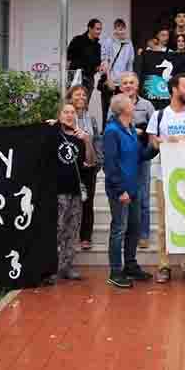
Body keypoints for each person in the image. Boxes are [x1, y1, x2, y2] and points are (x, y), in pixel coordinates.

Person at [147, 75, 185, 283]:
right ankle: (164, 265)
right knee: (164, 223)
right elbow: (153, 143)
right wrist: (165, 141)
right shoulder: (159, 115)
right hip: (164, 176)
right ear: (174, 89)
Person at [102, 93, 156, 288]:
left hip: (133, 188)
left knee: (133, 228)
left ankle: (130, 265)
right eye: (130, 103)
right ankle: (115, 271)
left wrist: (153, 148)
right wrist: (120, 190)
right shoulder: (112, 132)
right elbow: (109, 164)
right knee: (119, 229)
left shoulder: (131, 130)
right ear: (123, 109)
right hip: (120, 191)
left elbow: (139, 156)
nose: (134, 104)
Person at [44, 102, 94, 285]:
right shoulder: (54, 133)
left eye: (72, 112)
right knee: (56, 229)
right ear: (59, 114)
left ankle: (66, 266)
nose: (69, 115)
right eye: (65, 112)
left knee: (72, 231)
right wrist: (48, 125)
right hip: (57, 191)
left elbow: (91, 161)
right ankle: (49, 267)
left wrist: (87, 141)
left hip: (75, 191)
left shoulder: (81, 137)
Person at [117, 72, 156, 249]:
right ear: (120, 87)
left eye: (131, 82)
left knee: (143, 197)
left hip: (142, 155)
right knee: (125, 196)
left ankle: (144, 234)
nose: (128, 85)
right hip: (123, 157)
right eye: (125, 83)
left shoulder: (147, 105)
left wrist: (143, 134)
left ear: (137, 85)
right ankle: (127, 232)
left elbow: (155, 129)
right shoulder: (116, 105)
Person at [66, 86, 102, 256]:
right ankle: (69, 236)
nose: (81, 97)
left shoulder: (92, 119)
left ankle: (85, 237)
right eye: (77, 94)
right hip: (70, 166)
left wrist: (97, 163)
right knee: (71, 202)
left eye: (83, 94)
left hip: (89, 167)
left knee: (88, 203)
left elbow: (97, 141)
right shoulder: (66, 117)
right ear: (70, 97)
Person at [99, 18, 134, 128]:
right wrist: (109, 79)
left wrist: (130, 82)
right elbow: (105, 61)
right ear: (114, 29)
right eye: (118, 29)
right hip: (110, 81)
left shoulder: (129, 44)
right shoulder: (108, 42)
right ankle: (106, 132)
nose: (120, 31)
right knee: (107, 109)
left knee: (123, 109)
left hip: (123, 83)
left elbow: (130, 64)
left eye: (122, 29)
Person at [136, 25, 173, 110]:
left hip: (164, 93)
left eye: (167, 35)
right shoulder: (146, 51)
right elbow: (139, 69)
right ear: (157, 36)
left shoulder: (171, 53)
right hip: (149, 92)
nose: (165, 38)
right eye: (163, 35)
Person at [66, 18, 106, 95]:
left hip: (89, 78)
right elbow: (68, 58)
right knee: (71, 101)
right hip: (75, 75)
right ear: (90, 28)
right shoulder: (77, 40)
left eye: (100, 29)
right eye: (97, 29)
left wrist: (101, 68)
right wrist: (70, 76)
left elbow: (97, 65)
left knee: (84, 104)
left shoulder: (98, 46)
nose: (99, 32)